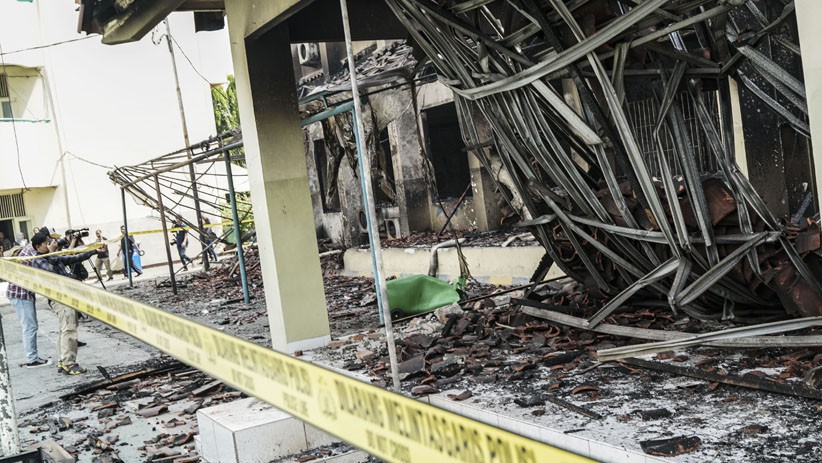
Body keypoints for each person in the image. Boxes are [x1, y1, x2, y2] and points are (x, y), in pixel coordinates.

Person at [30, 233, 103, 375]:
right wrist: (51, 252)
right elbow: (50, 272)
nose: (50, 244)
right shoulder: (37, 261)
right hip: (59, 299)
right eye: (46, 243)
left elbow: (73, 258)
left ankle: (62, 360)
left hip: (67, 297)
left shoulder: (52, 256)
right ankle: (69, 363)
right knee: (69, 329)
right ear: (38, 246)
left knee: (65, 329)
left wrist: (94, 251)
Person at [5, 234, 50, 368]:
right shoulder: (31, 254)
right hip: (21, 294)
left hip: (23, 293)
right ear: (38, 245)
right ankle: (32, 359)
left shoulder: (31, 250)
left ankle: (33, 356)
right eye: (46, 244)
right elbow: (46, 269)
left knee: (31, 326)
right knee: (29, 327)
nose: (47, 246)